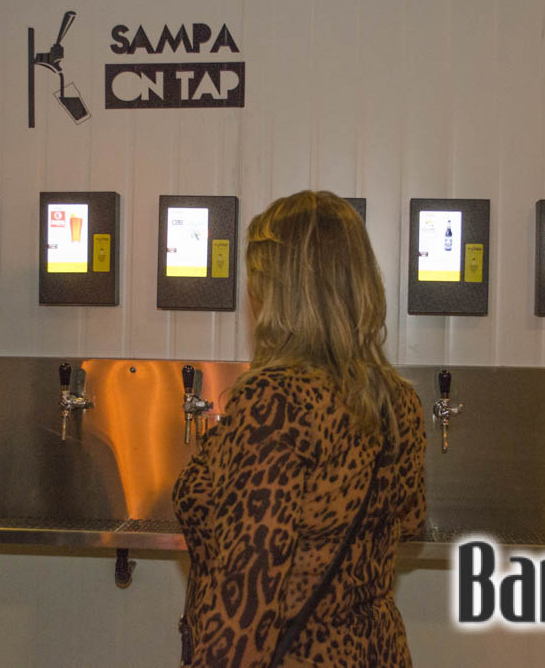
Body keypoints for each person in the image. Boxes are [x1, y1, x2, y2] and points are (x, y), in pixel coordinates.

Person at [174, 190, 427, 667]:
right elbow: (409, 521)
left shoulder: (275, 403)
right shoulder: (398, 400)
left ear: (279, 293)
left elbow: (248, 597)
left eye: (259, 280)